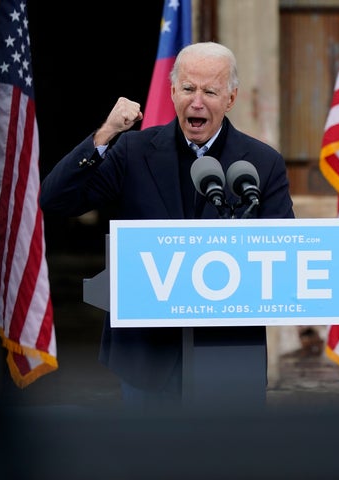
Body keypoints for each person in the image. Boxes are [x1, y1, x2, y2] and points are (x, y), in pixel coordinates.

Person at [40, 41, 295, 409]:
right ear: (172, 91)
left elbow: (283, 253)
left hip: (228, 358)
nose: (197, 102)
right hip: (147, 360)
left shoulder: (262, 162)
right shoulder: (132, 151)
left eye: (210, 91)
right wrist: (105, 135)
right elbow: (55, 199)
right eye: (189, 88)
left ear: (231, 98)